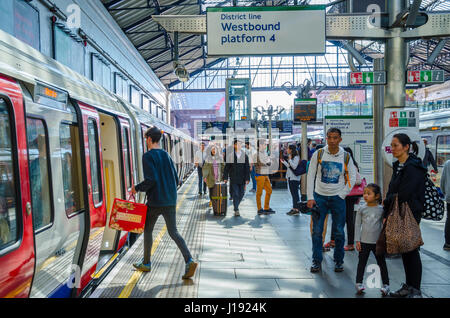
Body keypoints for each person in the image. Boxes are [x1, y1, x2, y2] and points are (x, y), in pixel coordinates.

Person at [131, 127, 197, 279]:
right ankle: (189, 260)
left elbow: (151, 180)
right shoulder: (166, 155)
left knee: (148, 231)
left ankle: (146, 263)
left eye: (145, 138)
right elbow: (176, 179)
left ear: (148, 139)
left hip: (155, 201)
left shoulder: (148, 156)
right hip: (170, 200)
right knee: (173, 232)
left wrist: (137, 188)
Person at [307, 128, 357, 273]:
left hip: (338, 198)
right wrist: (310, 197)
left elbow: (352, 177)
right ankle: (316, 261)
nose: (332, 141)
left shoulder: (346, 156)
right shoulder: (319, 153)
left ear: (340, 139)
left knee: (339, 232)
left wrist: (342, 194)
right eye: (329, 138)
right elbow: (311, 176)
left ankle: (339, 261)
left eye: (335, 138)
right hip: (319, 197)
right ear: (326, 139)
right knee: (317, 231)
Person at [383, 133, 426, 298]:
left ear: (406, 146)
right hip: (398, 210)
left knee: (411, 249)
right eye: (392, 145)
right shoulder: (398, 165)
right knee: (405, 249)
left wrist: (386, 201)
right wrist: (388, 209)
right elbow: (393, 189)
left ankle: (415, 288)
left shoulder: (413, 167)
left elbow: (405, 193)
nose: (392, 149)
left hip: (410, 212)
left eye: (396, 145)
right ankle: (409, 286)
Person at [354, 183, 390, 296]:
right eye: (364, 193)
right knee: (361, 263)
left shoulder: (381, 210)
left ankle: (386, 285)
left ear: (377, 196)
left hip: (377, 243)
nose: (365, 195)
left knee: (381, 263)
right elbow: (357, 225)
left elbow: (385, 225)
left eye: (368, 193)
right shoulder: (361, 209)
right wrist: (357, 240)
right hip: (364, 242)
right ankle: (359, 283)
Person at [223, 140, 250, 217]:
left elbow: (247, 168)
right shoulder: (230, 156)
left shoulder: (245, 156)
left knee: (241, 194)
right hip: (234, 178)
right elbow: (226, 167)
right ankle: (236, 209)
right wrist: (225, 177)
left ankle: (236, 206)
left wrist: (247, 178)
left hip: (242, 178)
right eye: (237, 144)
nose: (239, 146)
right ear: (234, 145)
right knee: (236, 193)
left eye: (240, 144)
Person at [255, 139, 276, 215]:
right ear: (260, 145)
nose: (265, 146)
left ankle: (266, 207)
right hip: (260, 175)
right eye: (264, 144)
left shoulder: (264, 153)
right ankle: (259, 208)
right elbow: (262, 163)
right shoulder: (256, 154)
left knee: (269, 190)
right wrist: (269, 162)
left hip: (265, 174)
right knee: (259, 192)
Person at [281, 145, 301, 216]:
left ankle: (297, 209)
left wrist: (289, 160)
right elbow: (290, 167)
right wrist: (284, 162)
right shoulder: (292, 157)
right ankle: (294, 208)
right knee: (293, 194)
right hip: (290, 177)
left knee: (295, 194)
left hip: (295, 178)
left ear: (291, 150)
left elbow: (294, 167)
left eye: (288, 148)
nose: (287, 150)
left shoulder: (296, 157)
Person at [440, 159, 450, 251]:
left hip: (449, 197)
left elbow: (442, 181)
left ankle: (448, 244)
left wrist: (445, 193)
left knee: (449, 219)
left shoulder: (447, 163)